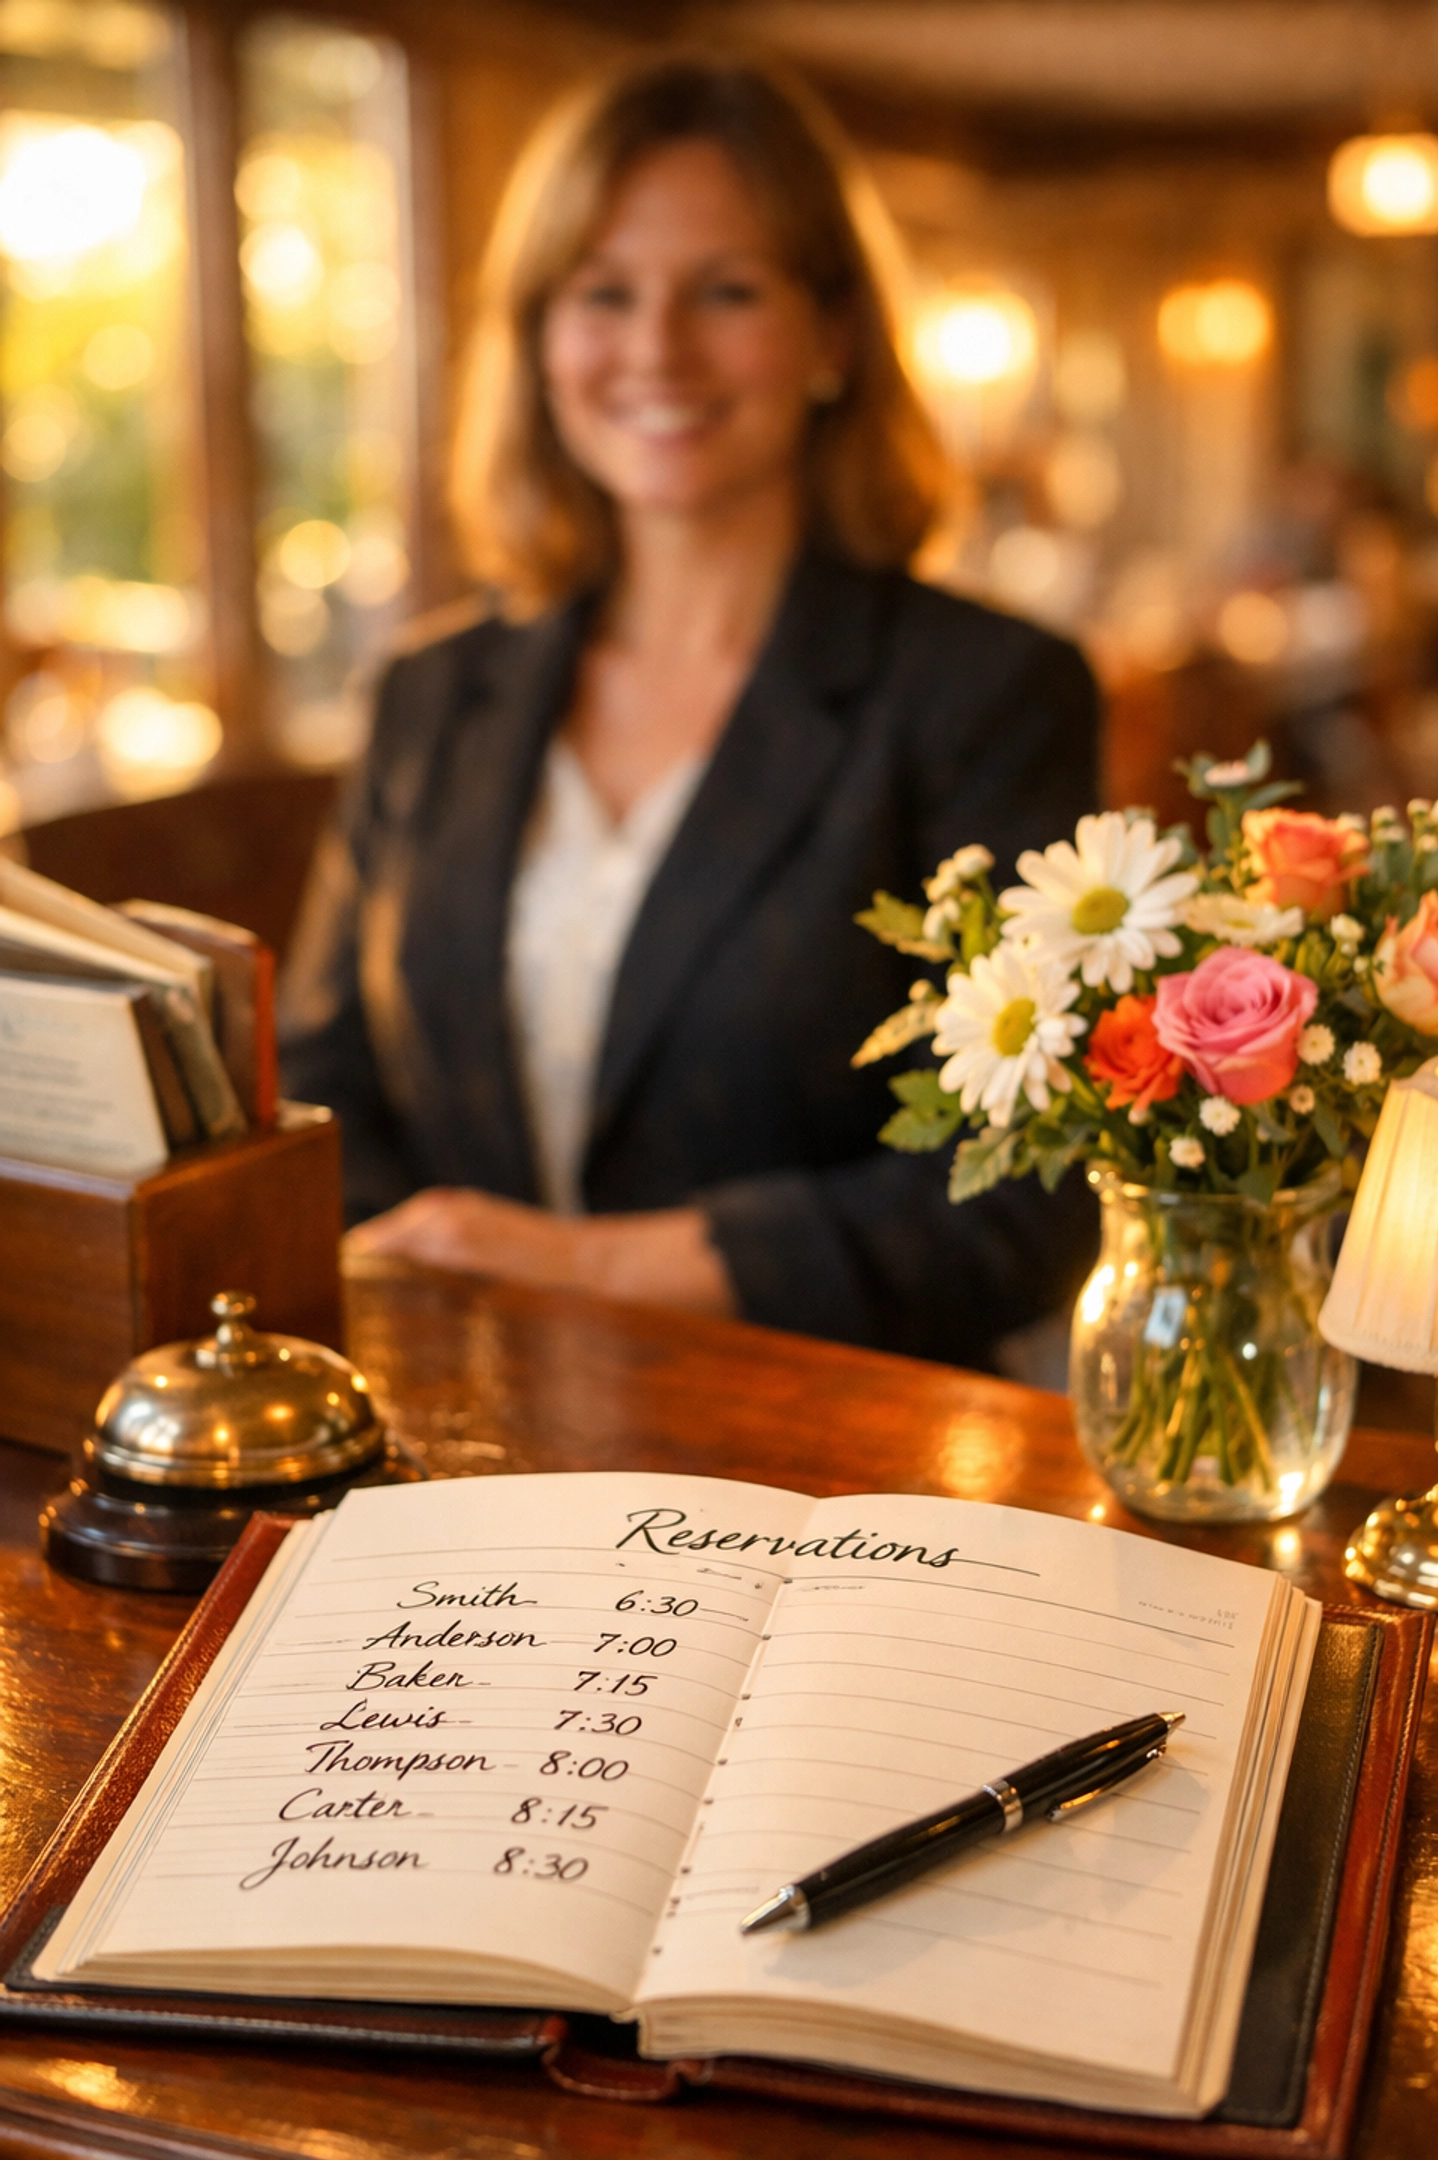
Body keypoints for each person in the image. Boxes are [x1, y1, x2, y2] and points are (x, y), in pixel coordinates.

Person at [279, 52, 1099, 1368]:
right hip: (448, 1432)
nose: (656, 350)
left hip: (834, 1457)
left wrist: (582, 1269)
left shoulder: (986, 692)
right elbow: (317, 1094)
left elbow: (1025, 1192)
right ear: (542, 339)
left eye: (726, 291)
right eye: (604, 293)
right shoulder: (430, 694)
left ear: (833, 333)